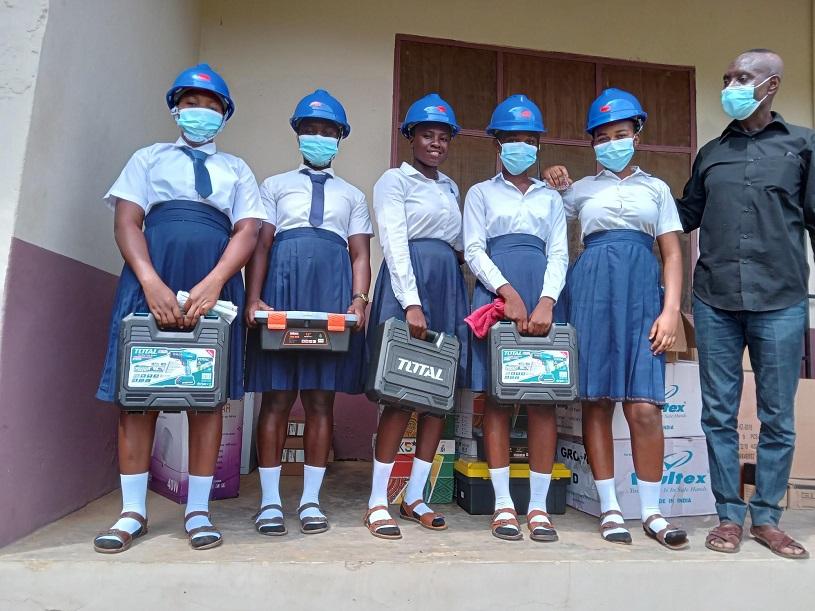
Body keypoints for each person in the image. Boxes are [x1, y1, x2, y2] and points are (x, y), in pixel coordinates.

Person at [93, 64, 265, 553]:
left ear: (225, 115)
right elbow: (128, 221)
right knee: (137, 394)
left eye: (212, 105)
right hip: (152, 276)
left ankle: (197, 510)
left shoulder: (237, 170)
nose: (202, 112)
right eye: (193, 102)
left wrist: (216, 283)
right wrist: (150, 281)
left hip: (214, 280)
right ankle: (132, 512)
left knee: (206, 398)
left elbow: (248, 231)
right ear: (175, 108)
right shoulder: (147, 159)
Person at [676, 49, 811, 559]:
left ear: (770, 84)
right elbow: (684, 214)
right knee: (718, 414)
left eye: (742, 77)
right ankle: (729, 516)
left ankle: (769, 518)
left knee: (778, 415)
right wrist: (629, 198)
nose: (731, 83)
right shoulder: (711, 153)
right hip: (715, 299)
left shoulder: (803, 145)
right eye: (727, 75)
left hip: (781, 299)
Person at [543, 89, 688, 549]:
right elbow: (541, 217)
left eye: (621, 134)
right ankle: (609, 508)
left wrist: (670, 311)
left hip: (643, 295)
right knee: (598, 401)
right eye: (602, 136)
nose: (612, 142)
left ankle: (652, 511)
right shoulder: (580, 191)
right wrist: (551, 179)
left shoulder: (657, 189)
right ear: (592, 143)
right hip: (590, 292)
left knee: (644, 407)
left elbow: (672, 252)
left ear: (636, 135)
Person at [245, 90, 372, 536]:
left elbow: (359, 253)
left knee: (320, 398)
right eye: (311, 130)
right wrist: (254, 297)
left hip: (330, 293)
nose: (319, 137)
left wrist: (359, 299)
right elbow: (261, 243)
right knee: (277, 397)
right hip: (282, 286)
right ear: (298, 134)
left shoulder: (353, 195)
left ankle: (312, 500)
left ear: (340, 138)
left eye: (328, 131)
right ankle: (270, 501)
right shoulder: (274, 185)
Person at [363, 94, 469, 539]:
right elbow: (393, 240)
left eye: (444, 138)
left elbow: (461, 246)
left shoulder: (450, 187)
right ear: (410, 136)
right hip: (410, 286)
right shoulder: (394, 181)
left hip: (447, 285)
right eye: (428, 134)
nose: (436, 144)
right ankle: (376, 501)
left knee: (436, 398)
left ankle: (415, 496)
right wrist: (410, 301)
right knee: (401, 395)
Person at [464, 95, 568, 541]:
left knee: (544, 400)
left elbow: (561, 251)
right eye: (512, 139)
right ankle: (504, 504)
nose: (521, 146)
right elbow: (473, 249)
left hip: (543, 293)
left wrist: (546, 300)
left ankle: (540, 507)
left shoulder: (552, 198)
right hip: (499, 295)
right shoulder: (480, 193)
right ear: (497, 144)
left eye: (529, 140)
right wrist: (506, 293)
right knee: (500, 401)